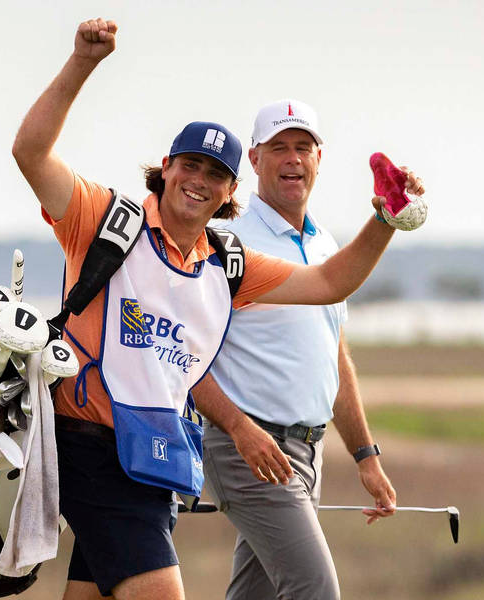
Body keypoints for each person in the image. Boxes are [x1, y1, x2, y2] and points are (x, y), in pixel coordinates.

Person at [12, 18, 420, 600]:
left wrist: (385, 217)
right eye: (190, 165)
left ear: (230, 191)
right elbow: (30, 153)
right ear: (167, 167)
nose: (198, 181)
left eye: (215, 175)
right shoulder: (103, 219)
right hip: (90, 444)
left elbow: (331, 282)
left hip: (159, 460)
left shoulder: (226, 264)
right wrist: (83, 62)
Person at [193, 99, 425, 600]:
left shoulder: (324, 245)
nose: (292, 158)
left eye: (303, 147)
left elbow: (334, 359)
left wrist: (365, 455)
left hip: (304, 452)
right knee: (314, 590)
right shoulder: (226, 240)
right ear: (254, 159)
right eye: (279, 147)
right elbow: (186, 357)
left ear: (320, 158)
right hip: (248, 450)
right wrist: (237, 430)